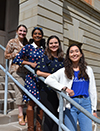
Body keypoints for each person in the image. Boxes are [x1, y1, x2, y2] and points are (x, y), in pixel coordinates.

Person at [45, 43, 97, 131]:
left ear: (81, 54)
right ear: (68, 56)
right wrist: (64, 88)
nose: (74, 54)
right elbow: (48, 80)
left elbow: (92, 90)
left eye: (77, 51)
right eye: (71, 52)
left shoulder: (88, 70)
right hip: (70, 104)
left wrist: (94, 110)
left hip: (85, 103)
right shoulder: (64, 71)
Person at [35, 35, 73, 131]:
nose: (53, 45)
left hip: (59, 91)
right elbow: (38, 72)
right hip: (47, 91)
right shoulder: (44, 58)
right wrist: (52, 77)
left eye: (55, 43)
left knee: (58, 115)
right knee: (50, 116)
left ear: (59, 44)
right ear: (48, 45)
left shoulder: (63, 60)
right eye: (51, 43)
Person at [13, 27, 45, 131]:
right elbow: (17, 59)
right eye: (35, 33)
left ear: (42, 36)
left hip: (42, 79)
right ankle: (30, 128)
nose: (37, 35)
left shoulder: (43, 49)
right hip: (31, 78)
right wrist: (29, 63)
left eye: (39, 34)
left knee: (40, 103)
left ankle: (39, 127)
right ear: (32, 36)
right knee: (31, 102)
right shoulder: (28, 47)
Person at [4, 24, 28, 126]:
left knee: (27, 92)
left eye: (24, 31)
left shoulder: (27, 43)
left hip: (27, 72)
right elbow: (6, 55)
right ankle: (20, 114)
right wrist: (15, 54)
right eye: (20, 31)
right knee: (20, 91)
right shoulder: (12, 42)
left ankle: (27, 112)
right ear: (17, 31)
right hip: (16, 71)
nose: (22, 33)